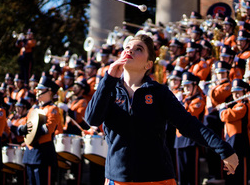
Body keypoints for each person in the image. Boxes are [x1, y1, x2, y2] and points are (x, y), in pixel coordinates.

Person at [85, 34, 238, 184]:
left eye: (139, 49)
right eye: (127, 47)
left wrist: (223, 149)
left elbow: (188, 124)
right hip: (117, 178)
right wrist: (109, 78)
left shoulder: (159, 92)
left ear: (148, 64)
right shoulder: (109, 89)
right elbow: (92, 119)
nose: (130, 51)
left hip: (157, 178)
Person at [18, 76, 61, 185]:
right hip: (30, 152)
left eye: (41, 90)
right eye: (37, 90)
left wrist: (31, 130)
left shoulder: (53, 109)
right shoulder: (33, 109)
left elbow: (48, 128)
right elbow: (22, 125)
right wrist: (22, 129)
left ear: (49, 92)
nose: (37, 92)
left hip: (43, 152)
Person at [218, 79, 250, 185]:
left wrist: (221, 110)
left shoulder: (243, 106)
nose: (236, 95)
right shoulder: (234, 106)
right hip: (231, 144)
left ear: (244, 93)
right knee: (231, 175)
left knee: (240, 176)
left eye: (239, 92)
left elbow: (226, 116)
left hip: (241, 145)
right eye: (234, 93)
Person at [175, 71, 206, 185]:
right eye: (184, 86)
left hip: (191, 139)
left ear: (195, 86)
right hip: (179, 138)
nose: (186, 89)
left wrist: (179, 104)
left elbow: (188, 115)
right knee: (181, 174)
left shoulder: (198, 100)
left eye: (188, 86)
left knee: (192, 175)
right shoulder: (183, 100)